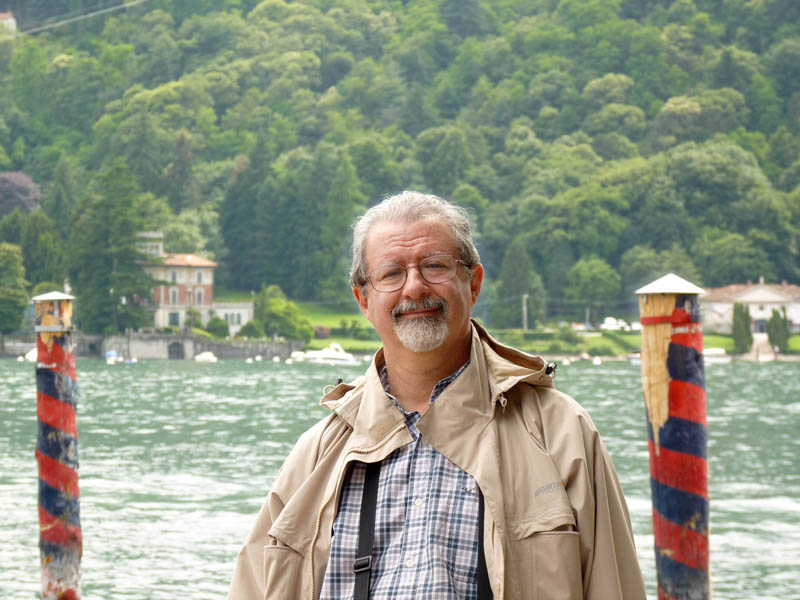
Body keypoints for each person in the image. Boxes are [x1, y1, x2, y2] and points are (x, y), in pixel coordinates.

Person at [227, 191, 646, 599]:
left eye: (434, 266)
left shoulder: (561, 435)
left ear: (473, 283)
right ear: (363, 299)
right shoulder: (316, 456)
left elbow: (614, 586)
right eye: (391, 273)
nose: (414, 287)